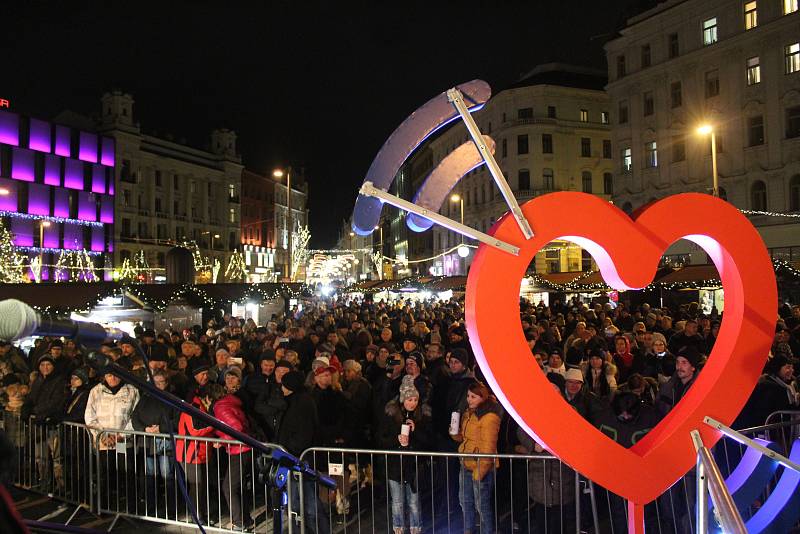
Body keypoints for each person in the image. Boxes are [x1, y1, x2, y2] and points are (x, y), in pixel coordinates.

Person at [276, 371, 329, 534]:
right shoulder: (295, 400)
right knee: (297, 501)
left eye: (284, 384)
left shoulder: (302, 403)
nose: (281, 387)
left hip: (300, 460)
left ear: (290, 386)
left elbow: (302, 434)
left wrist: (290, 454)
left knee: (309, 501)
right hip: (294, 458)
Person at [379, 376, 433, 534]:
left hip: (414, 466)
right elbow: (382, 439)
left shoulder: (423, 416)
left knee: (414, 501)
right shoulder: (391, 416)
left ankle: (416, 528)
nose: (413, 403)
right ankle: (399, 529)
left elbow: (429, 442)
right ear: (403, 400)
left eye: (415, 399)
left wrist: (416, 431)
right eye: (409, 399)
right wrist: (397, 439)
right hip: (395, 466)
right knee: (397, 501)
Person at [84, 364, 140, 511]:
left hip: (122, 441)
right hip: (103, 441)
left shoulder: (131, 390)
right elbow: (90, 416)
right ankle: (103, 506)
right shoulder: (96, 391)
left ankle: (130, 507)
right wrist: (102, 435)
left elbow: (135, 416)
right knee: (104, 474)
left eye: (115, 375)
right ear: (104, 376)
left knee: (127, 473)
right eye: (109, 375)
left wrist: (122, 435)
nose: (113, 378)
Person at [452, 381, 502, 534]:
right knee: (465, 502)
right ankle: (469, 530)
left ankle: (487, 531)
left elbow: (488, 447)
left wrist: (479, 473)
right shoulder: (468, 413)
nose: (469, 399)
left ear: (482, 397)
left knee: (482, 506)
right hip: (466, 464)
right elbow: (465, 438)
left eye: (473, 397)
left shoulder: (490, 417)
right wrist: (455, 434)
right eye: (468, 396)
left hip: (481, 468)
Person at [131, 370, 178, 514]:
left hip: (164, 441)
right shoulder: (145, 397)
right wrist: (144, 428)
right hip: (147, 441)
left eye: (160, 382)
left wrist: (162, 429)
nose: (157, 385)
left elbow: (177, 420)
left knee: (167, 475)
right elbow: (134, 416)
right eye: (154, 382)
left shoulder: (172, 398)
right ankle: (151, 507)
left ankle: (171, 508)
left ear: (167, 383)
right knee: (150, 476)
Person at [211, 377, 254, 530]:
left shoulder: (220, 407)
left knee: (228, 487)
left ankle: (239, 523)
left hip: (240, 449)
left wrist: (222, 440)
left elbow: (236, 428)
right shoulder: (230, 402)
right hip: (243, 449)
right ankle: (245, 520)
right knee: (237, 487)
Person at [24, 354, 69, 492]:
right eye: (42, 365)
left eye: (48, 364)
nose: (45, 367)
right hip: (38, 425)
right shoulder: (37, 380)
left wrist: (36, 411)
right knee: (40, 457)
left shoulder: (59, 380)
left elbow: (56, 402)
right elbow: (31, 398)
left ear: (53, 366)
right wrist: (25, 408)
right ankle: (44, 482)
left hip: (51, 424)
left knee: (56, 458)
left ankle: (60, 486)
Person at [175, 384, 216, 525]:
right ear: (206, 398)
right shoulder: (193, 408)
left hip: (201, 452)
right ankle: (196, 516)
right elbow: (194, 430)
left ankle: (201, 513)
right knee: (196, 485)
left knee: (202, 485)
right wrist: (214, 424)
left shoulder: (203, 408)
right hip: (190, 453)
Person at [656, 346, 701, 417]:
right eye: (677, 362)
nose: (679, 367)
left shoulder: (700, 390)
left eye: (684, 363)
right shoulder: (666, 388)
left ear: (693, 367)